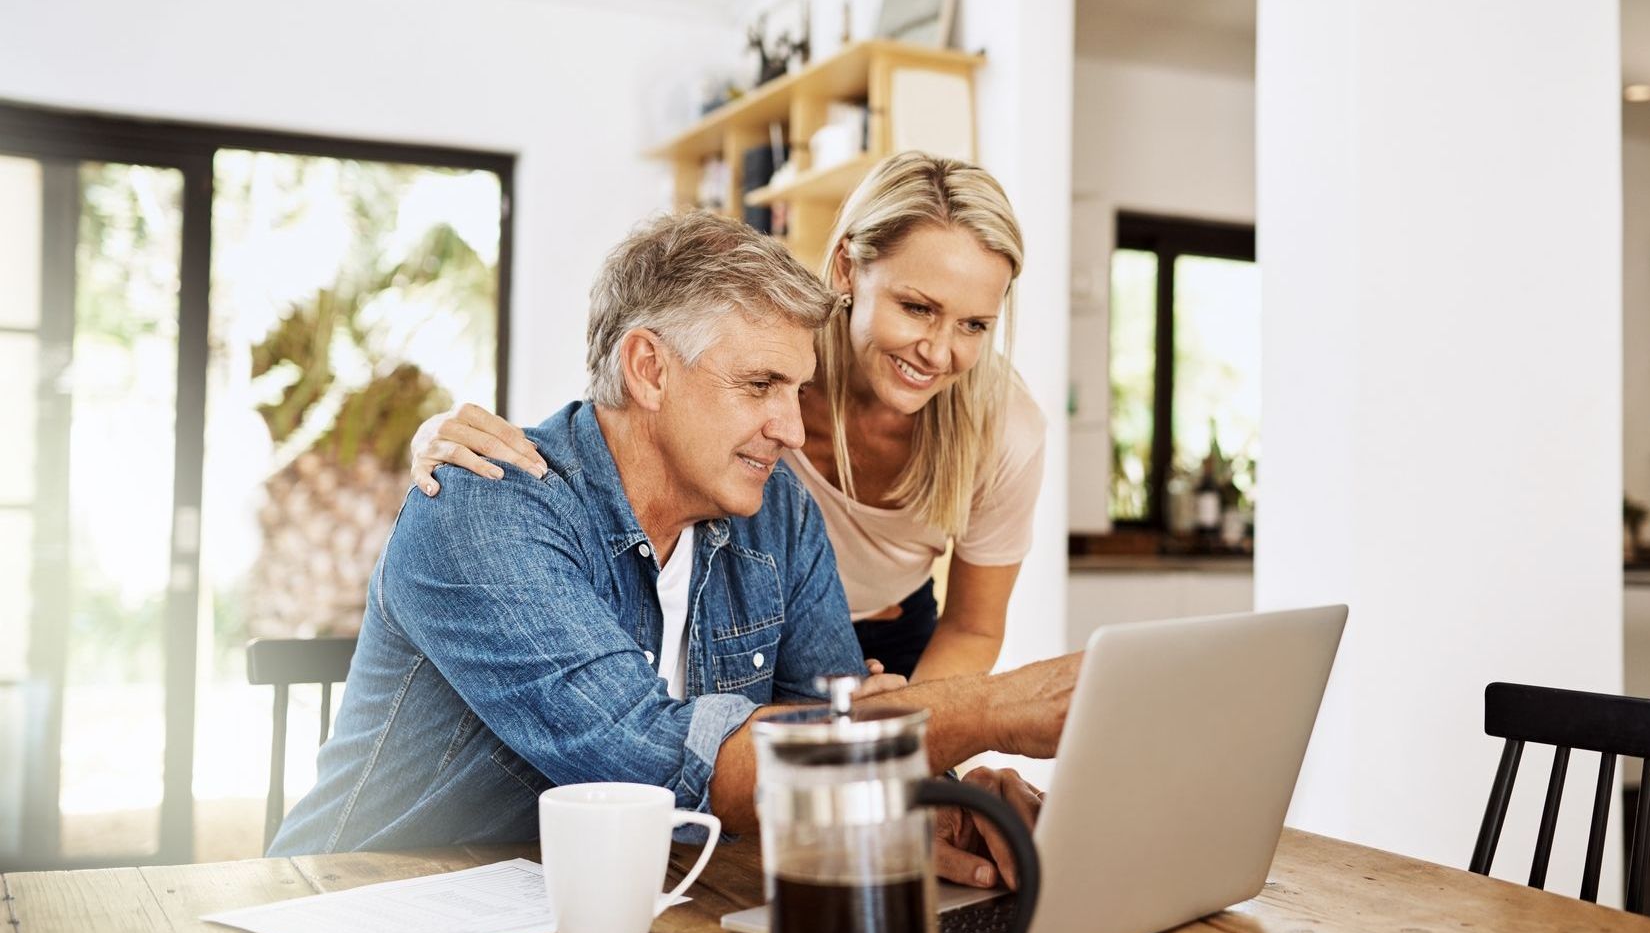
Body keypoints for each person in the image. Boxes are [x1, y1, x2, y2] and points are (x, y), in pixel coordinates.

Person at [270, 212, 1075, 891]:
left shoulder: (778, 515)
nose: (793, 429)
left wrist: (939, 799)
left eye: (797, 390)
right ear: (649, 369)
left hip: (611, 913)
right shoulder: (485, 507)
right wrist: (991, 711)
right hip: (362, 914)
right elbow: (656, 763)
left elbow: (836, 718)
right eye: (760, 385)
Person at [411, 152, 1044, 682]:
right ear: (849, 267)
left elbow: (973, 625)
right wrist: (456, 452)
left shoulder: (1003, 431)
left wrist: (921, 736)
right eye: (916, 307)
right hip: (735, 604)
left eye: (974, 325)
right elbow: (626, 416)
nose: (938, 351)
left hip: (889, 636)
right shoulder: (772, 339)